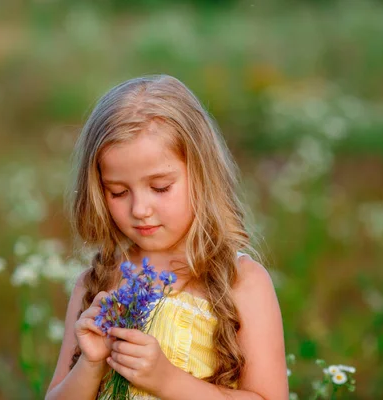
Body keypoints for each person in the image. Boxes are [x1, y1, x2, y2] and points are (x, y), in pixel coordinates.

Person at [45, 75, 288, 400]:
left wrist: (167, 381)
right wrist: (90, 363)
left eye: (160, 187)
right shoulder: (97, 283)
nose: (140, 209)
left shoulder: (242, 282)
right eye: (118, 192)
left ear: (201, 174)